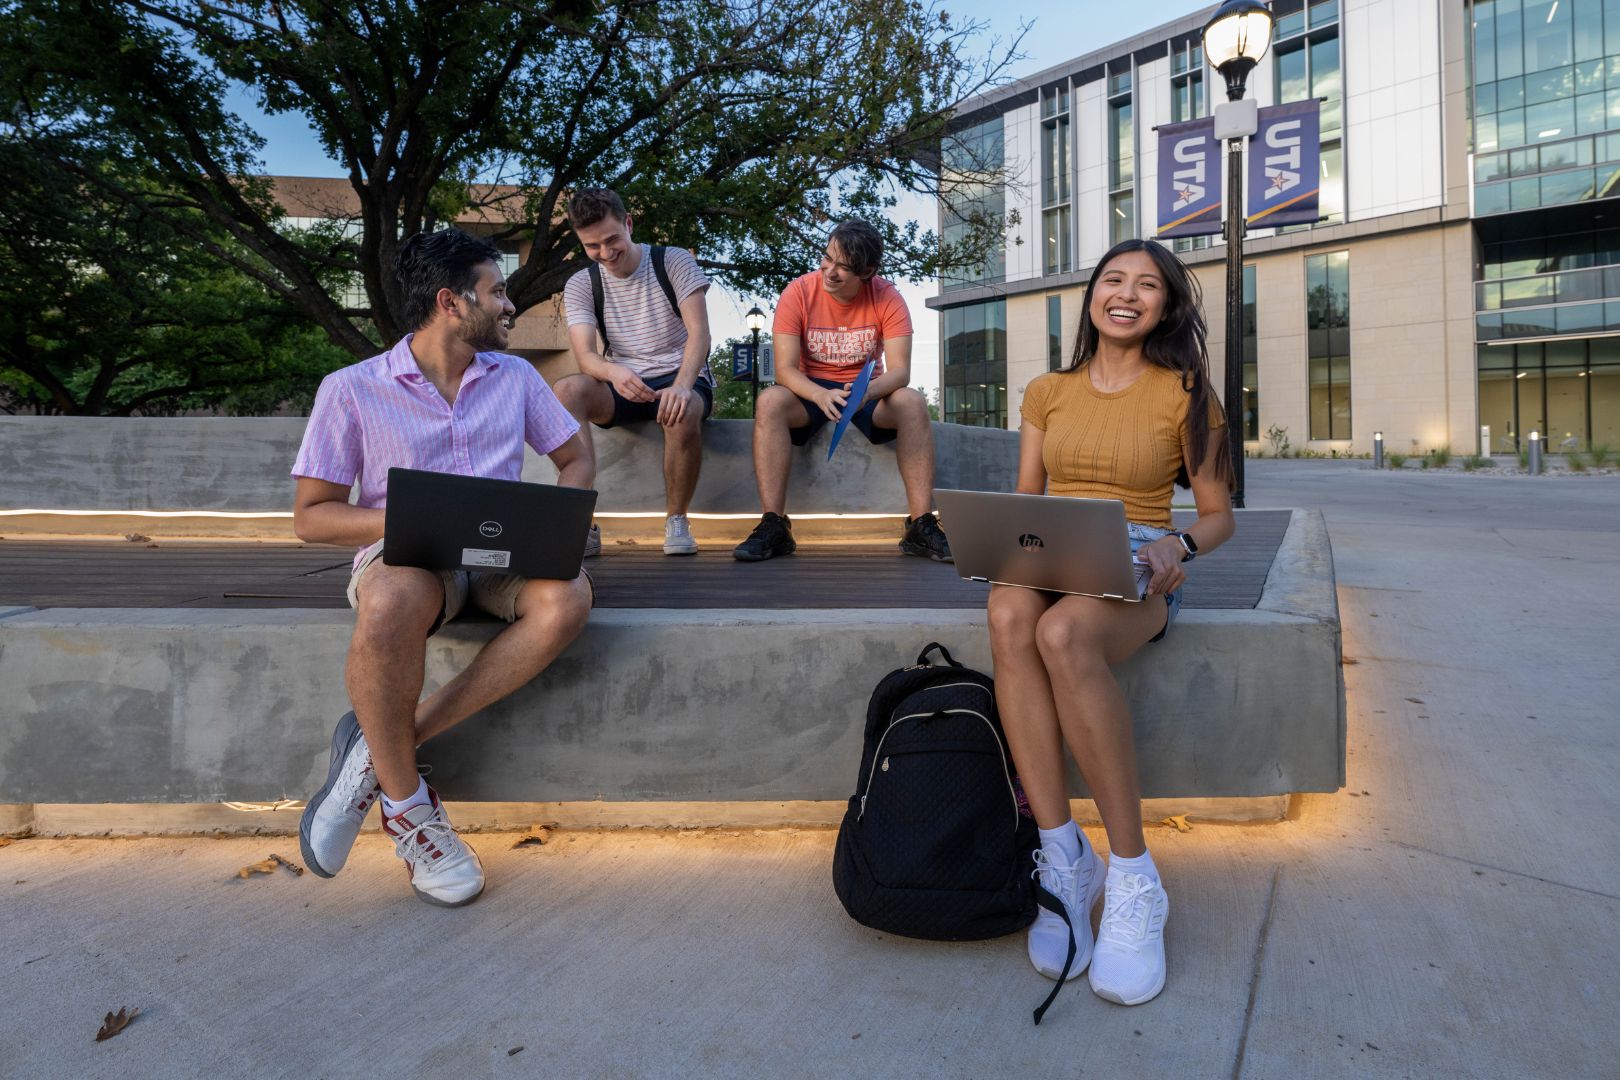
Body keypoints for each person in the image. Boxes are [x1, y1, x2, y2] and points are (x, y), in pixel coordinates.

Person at [292, 228, 594, 907]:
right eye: (498, 291)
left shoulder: (515, 377)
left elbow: (574, 459)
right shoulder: (351, 389)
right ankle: (409, 807)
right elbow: (312, 515)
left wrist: (562, 526)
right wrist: (410, 520)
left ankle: (375, 750)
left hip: (502, 558)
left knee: (568, 598)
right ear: (451, 304)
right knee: (392, 596)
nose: (510, 305)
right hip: (410, 558)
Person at [986, 238, 1235, 1006]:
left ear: (1166, 305)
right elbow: (1030, 496)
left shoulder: (1187, 391)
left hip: (1140, 560)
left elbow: (1220, 515)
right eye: (1113, 280)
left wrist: (1176, 542)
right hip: (1054, 549)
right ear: (1092, 294)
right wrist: (1001, 543)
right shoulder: (1046, 392)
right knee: (1006, 610)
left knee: (1062, 634)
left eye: (1147, 285)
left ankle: (1133, 877)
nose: (1126, 294)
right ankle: (1065, 859)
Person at [732, 219, 951, 562]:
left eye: (843, 268)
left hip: (866, 390)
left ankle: (920, 525)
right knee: (770, 399)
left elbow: (900, 372)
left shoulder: (887, 297)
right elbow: (785, 370)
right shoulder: (798, 292)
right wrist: (818, 395)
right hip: (809, 390)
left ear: (867, 271)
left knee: (912, 402)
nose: (830, 272)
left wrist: (866, 392)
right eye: (827, 259)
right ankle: (774, 524)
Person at [553, 188, 713, 556]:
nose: (606, 254)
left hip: (681, 375)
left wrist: (683, 385)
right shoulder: (581, 283)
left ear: (628, 223)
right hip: (623, 385)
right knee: (566, 390)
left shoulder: (672, 261)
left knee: (682, 410)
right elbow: (586, 358)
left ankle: (676, 520)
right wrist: (613, 373)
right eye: (593, 246)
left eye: (612, 240)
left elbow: (700, 334)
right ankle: (580, 523)